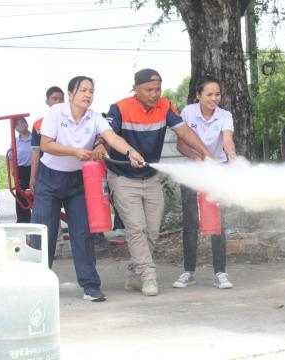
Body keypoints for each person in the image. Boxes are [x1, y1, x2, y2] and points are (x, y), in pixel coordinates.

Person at [98, 68, 212, 297]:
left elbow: (183, 131)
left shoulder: (165, 106)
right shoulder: (119, 108)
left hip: (151, 177)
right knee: (136, 228)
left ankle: (134, 270)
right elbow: (107, 134)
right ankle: (149, 276)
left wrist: (205, 152)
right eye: (148, 90)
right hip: (122, 177)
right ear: (135, 89)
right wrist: (104, 145)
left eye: (157, 89)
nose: (154, 94)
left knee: (152, 230)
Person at [30, 75, 145, 302]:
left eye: (91, 91)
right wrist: (74, 152)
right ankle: (38, 285)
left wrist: (131, 152)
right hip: (49, 179)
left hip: (77, 181)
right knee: (45, 232)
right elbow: (45, 145)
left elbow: (111, 137)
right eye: (83, 90)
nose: (88, 95)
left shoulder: (94, 118)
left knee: (82, 232)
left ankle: (90, 285)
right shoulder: (56, 113)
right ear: (71, 93)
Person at [171, 74, 236, 289]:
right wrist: (198, 159)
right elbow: (181, 145)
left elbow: (227, 140)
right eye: (209, 94)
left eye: (217, 94)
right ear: (198, 95)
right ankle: (188, 271)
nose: (214, 98)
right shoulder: (188, 112)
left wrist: (234, 161)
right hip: (192, 171)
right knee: (190, 223)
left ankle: (220, 273)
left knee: (217, 223)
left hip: (217, 172)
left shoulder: (225, 115)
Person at [29, 86, 65, 192]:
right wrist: (33, 177)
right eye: (54, 99)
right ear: (47, 101)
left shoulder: (74, 120)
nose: (58, 102)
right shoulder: (38, 124)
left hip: (71, 172)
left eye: (61, 99)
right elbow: (36, 151)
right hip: (46, 172)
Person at [8, 117, 32, 223]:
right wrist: (14, 171)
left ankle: (40, 222)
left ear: (27, 123)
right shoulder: (15, 141)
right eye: (17, 124)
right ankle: (24, 223)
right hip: (21, 171)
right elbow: (10, 157)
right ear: (15, 128)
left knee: (37, 197)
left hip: (35, 170)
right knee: (22, 198)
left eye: (22, 122)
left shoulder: (35, 137)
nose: (21, 125)